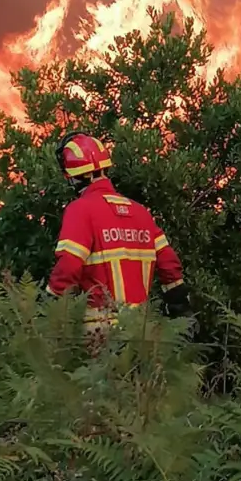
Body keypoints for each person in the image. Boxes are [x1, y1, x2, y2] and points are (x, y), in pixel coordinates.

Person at [46, 132, 189, 338]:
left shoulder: (81, 210)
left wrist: (48, 304)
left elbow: (69, 264)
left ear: (74, 176)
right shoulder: (140, 212)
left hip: (99, 333)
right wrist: (180, 305)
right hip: (141, 331)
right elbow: (169, 263)